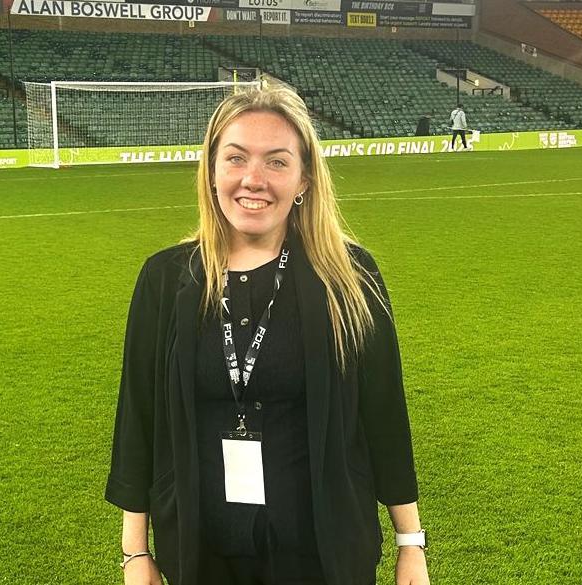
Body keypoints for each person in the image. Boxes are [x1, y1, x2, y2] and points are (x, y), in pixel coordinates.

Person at [106, 83, 429, 585]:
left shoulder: (348, 275)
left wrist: (411, 544)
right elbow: (138, 420)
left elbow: (384, 413)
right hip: (200, 548)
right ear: (212, 171)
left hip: (322, 551)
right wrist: (135, 554)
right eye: (235, 158)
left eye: (277, 162)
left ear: (303, 179)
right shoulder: (166, 279)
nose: (252, 179)